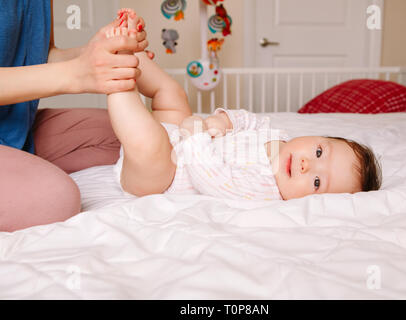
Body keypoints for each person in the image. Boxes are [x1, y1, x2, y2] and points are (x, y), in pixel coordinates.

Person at [106, 16, 382, 200]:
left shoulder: (266, 188)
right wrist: (226, 122)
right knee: (172, 94)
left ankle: (116, 73)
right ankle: (132, 52)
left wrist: (196, 136)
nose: (306, 164)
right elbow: (250, 121)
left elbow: (211, 179)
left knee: (149, 143)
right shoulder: (278, 135)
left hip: (161, 175)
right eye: (319, 151)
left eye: (317, 183)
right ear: (318, 137)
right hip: (179, 134)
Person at [0, 2, 151, 232]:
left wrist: (95, 51)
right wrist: (77, 74)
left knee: (136, 137)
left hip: (13, 127)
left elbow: (40, 55)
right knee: (54, 198)